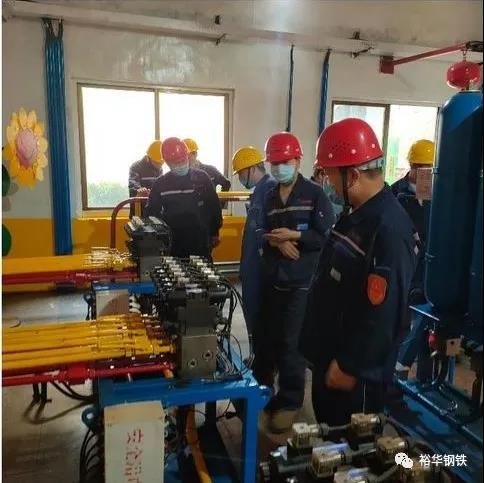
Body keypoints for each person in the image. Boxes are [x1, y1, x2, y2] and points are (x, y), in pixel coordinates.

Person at [299, 118, 419, 426]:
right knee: (327, 436)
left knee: (350, 444)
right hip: (331, 356)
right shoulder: (355, 216)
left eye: (329, 175)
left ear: (352, 175)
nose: (326, 183)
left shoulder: (388, 229)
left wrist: (350, 366)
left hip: (355, 377)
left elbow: (385, 314)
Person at [255, 132, 335, 433]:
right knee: (271, 337)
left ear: (298, 161)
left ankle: (290, 401)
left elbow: (325, 236)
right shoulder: (269, 196)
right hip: (275, 278)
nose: (279, 168)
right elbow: (259, 230)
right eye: (274, 163)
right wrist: (276, 241)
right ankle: (269, 392)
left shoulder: (314, 195)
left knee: (292, 343)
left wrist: (296, 236)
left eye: (284, 162)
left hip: (303, 282)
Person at [392, 139, 435, 368]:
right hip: (403, 267)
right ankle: (395, 374)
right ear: (412, 166)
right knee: (399, 325)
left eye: (430, 168)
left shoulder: (437, 195)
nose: (426, 173)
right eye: (421, 167)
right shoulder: (394, 193)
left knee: (426, 326)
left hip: (428, 270)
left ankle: (423, 376)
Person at [145, 137, 222, 259]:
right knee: (175, 270)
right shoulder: (160, 184)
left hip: (200, 240)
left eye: (183, 160)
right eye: (176, 162)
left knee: (203, 269)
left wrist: (215, 232)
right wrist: (159, 237)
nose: (181, 165)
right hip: (173, 242)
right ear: (167, 162)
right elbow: (152, 212)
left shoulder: (202, 178)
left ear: (187, 156)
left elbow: (214, 206)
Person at [232, 145, 277, 336]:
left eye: (241, 173)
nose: (240, 178)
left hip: (261, 271)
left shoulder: (270, 190)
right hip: (252, 269)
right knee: (254, 319)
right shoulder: (259, 191)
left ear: (252, 168)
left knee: (261, 322)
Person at [128, 141, 164, 217]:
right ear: (148, 158)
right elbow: (133, 184)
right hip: (138, 212)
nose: (160, 165)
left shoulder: (159, 169)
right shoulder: (136, 167)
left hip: (153, 211)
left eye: (161, 163)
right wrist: (140, 190)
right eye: (157, 163)